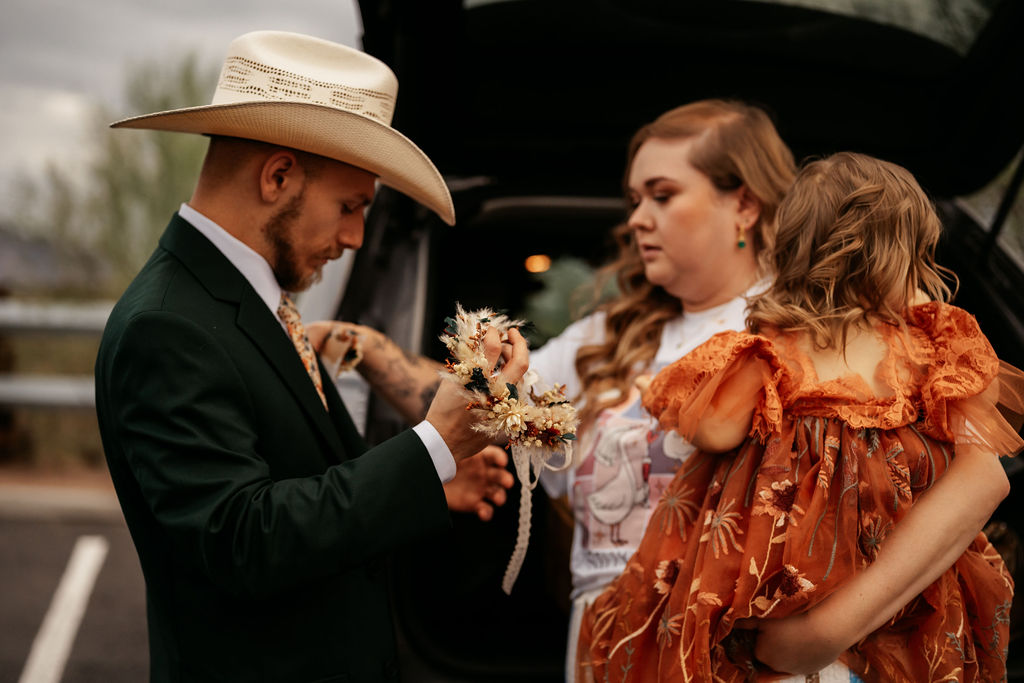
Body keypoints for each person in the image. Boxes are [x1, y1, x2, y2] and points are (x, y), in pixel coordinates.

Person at [93, 31, 529, 682]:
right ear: (277, 175)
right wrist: (433, 444)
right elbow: (243, 539)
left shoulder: (254, 299)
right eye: (350, 206)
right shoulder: (168, 324)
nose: (355, 237)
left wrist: (430, 486)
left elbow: (306, 477)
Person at [313, 98, 798, 679]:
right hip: (602, 645)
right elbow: (486, 404)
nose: (639, 218)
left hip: (732, 657)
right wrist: (364, 347)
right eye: (636, 200)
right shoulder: (610, 337)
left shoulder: (799, 334)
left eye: (662, 195)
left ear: (743, 203)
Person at [575, 152, 1024, 682]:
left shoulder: (770, 352)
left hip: (780, 597)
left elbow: (714, 429)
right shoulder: (936, 348)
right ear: (899, 253)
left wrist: (667, 400)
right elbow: (979, 434)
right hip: (900, 615)